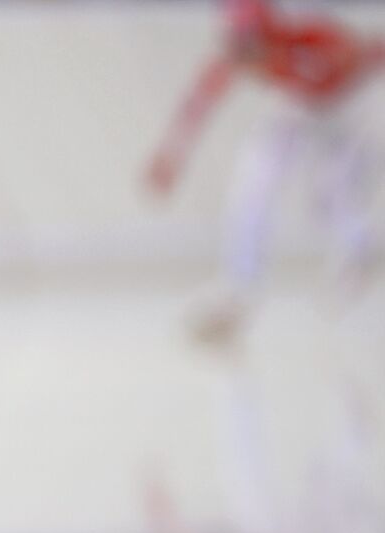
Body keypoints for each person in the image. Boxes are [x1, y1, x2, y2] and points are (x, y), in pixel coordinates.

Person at [145, 0, 384, 344]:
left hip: (347, 105)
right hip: (299, 105)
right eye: (236, 49)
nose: (243, 60)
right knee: (253, 183)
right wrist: (171, 153)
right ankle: (237, 291)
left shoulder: (315, 41)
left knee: (331, 194)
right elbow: (201, 97)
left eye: (249, 48)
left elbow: (369, 54)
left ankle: (356, 255)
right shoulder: (248, 53)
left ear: (269, 35)